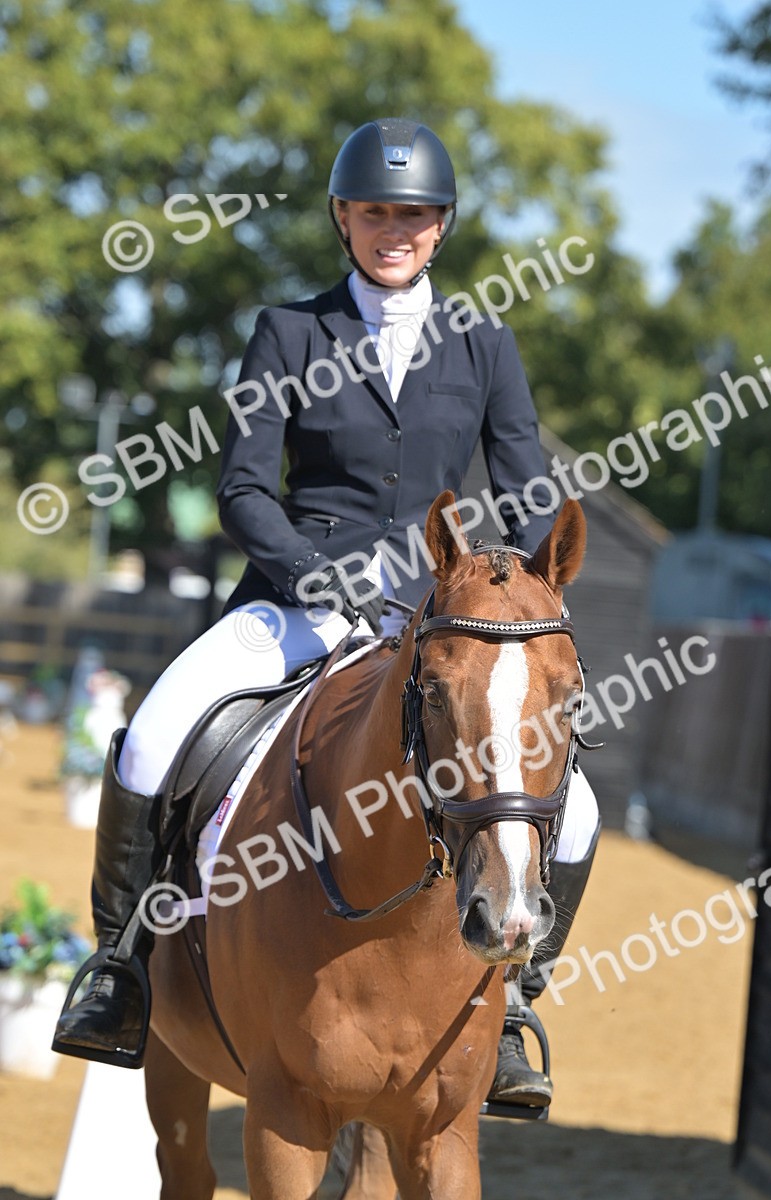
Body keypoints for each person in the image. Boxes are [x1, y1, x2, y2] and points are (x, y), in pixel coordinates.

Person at [53, 117, 600, 1109]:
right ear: (343, 218)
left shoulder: (483, 343)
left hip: (438, 621)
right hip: (296, 603)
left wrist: (518, 591)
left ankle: (514, 1001)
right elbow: (243, 489)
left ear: (441, 227)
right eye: (376, 211)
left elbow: (524, 488)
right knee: (152, 738)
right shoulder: (291, 332)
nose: (396, 229)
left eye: (416, 214)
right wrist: (312, 571)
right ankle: (119, 969)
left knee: (579, 811)